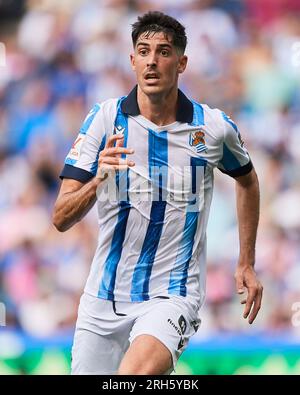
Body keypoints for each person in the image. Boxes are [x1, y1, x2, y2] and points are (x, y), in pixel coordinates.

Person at [53, 11, 263, 375]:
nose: (152, 61)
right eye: (144, 51)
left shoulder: (212, 128)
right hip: (102, 299)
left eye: (164, 52)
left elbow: (247, 180)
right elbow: (60, 217)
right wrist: (98, 180)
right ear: (132, 60)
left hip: (173, 293)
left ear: (182, 63)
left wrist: (246, 261)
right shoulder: (104, 120)